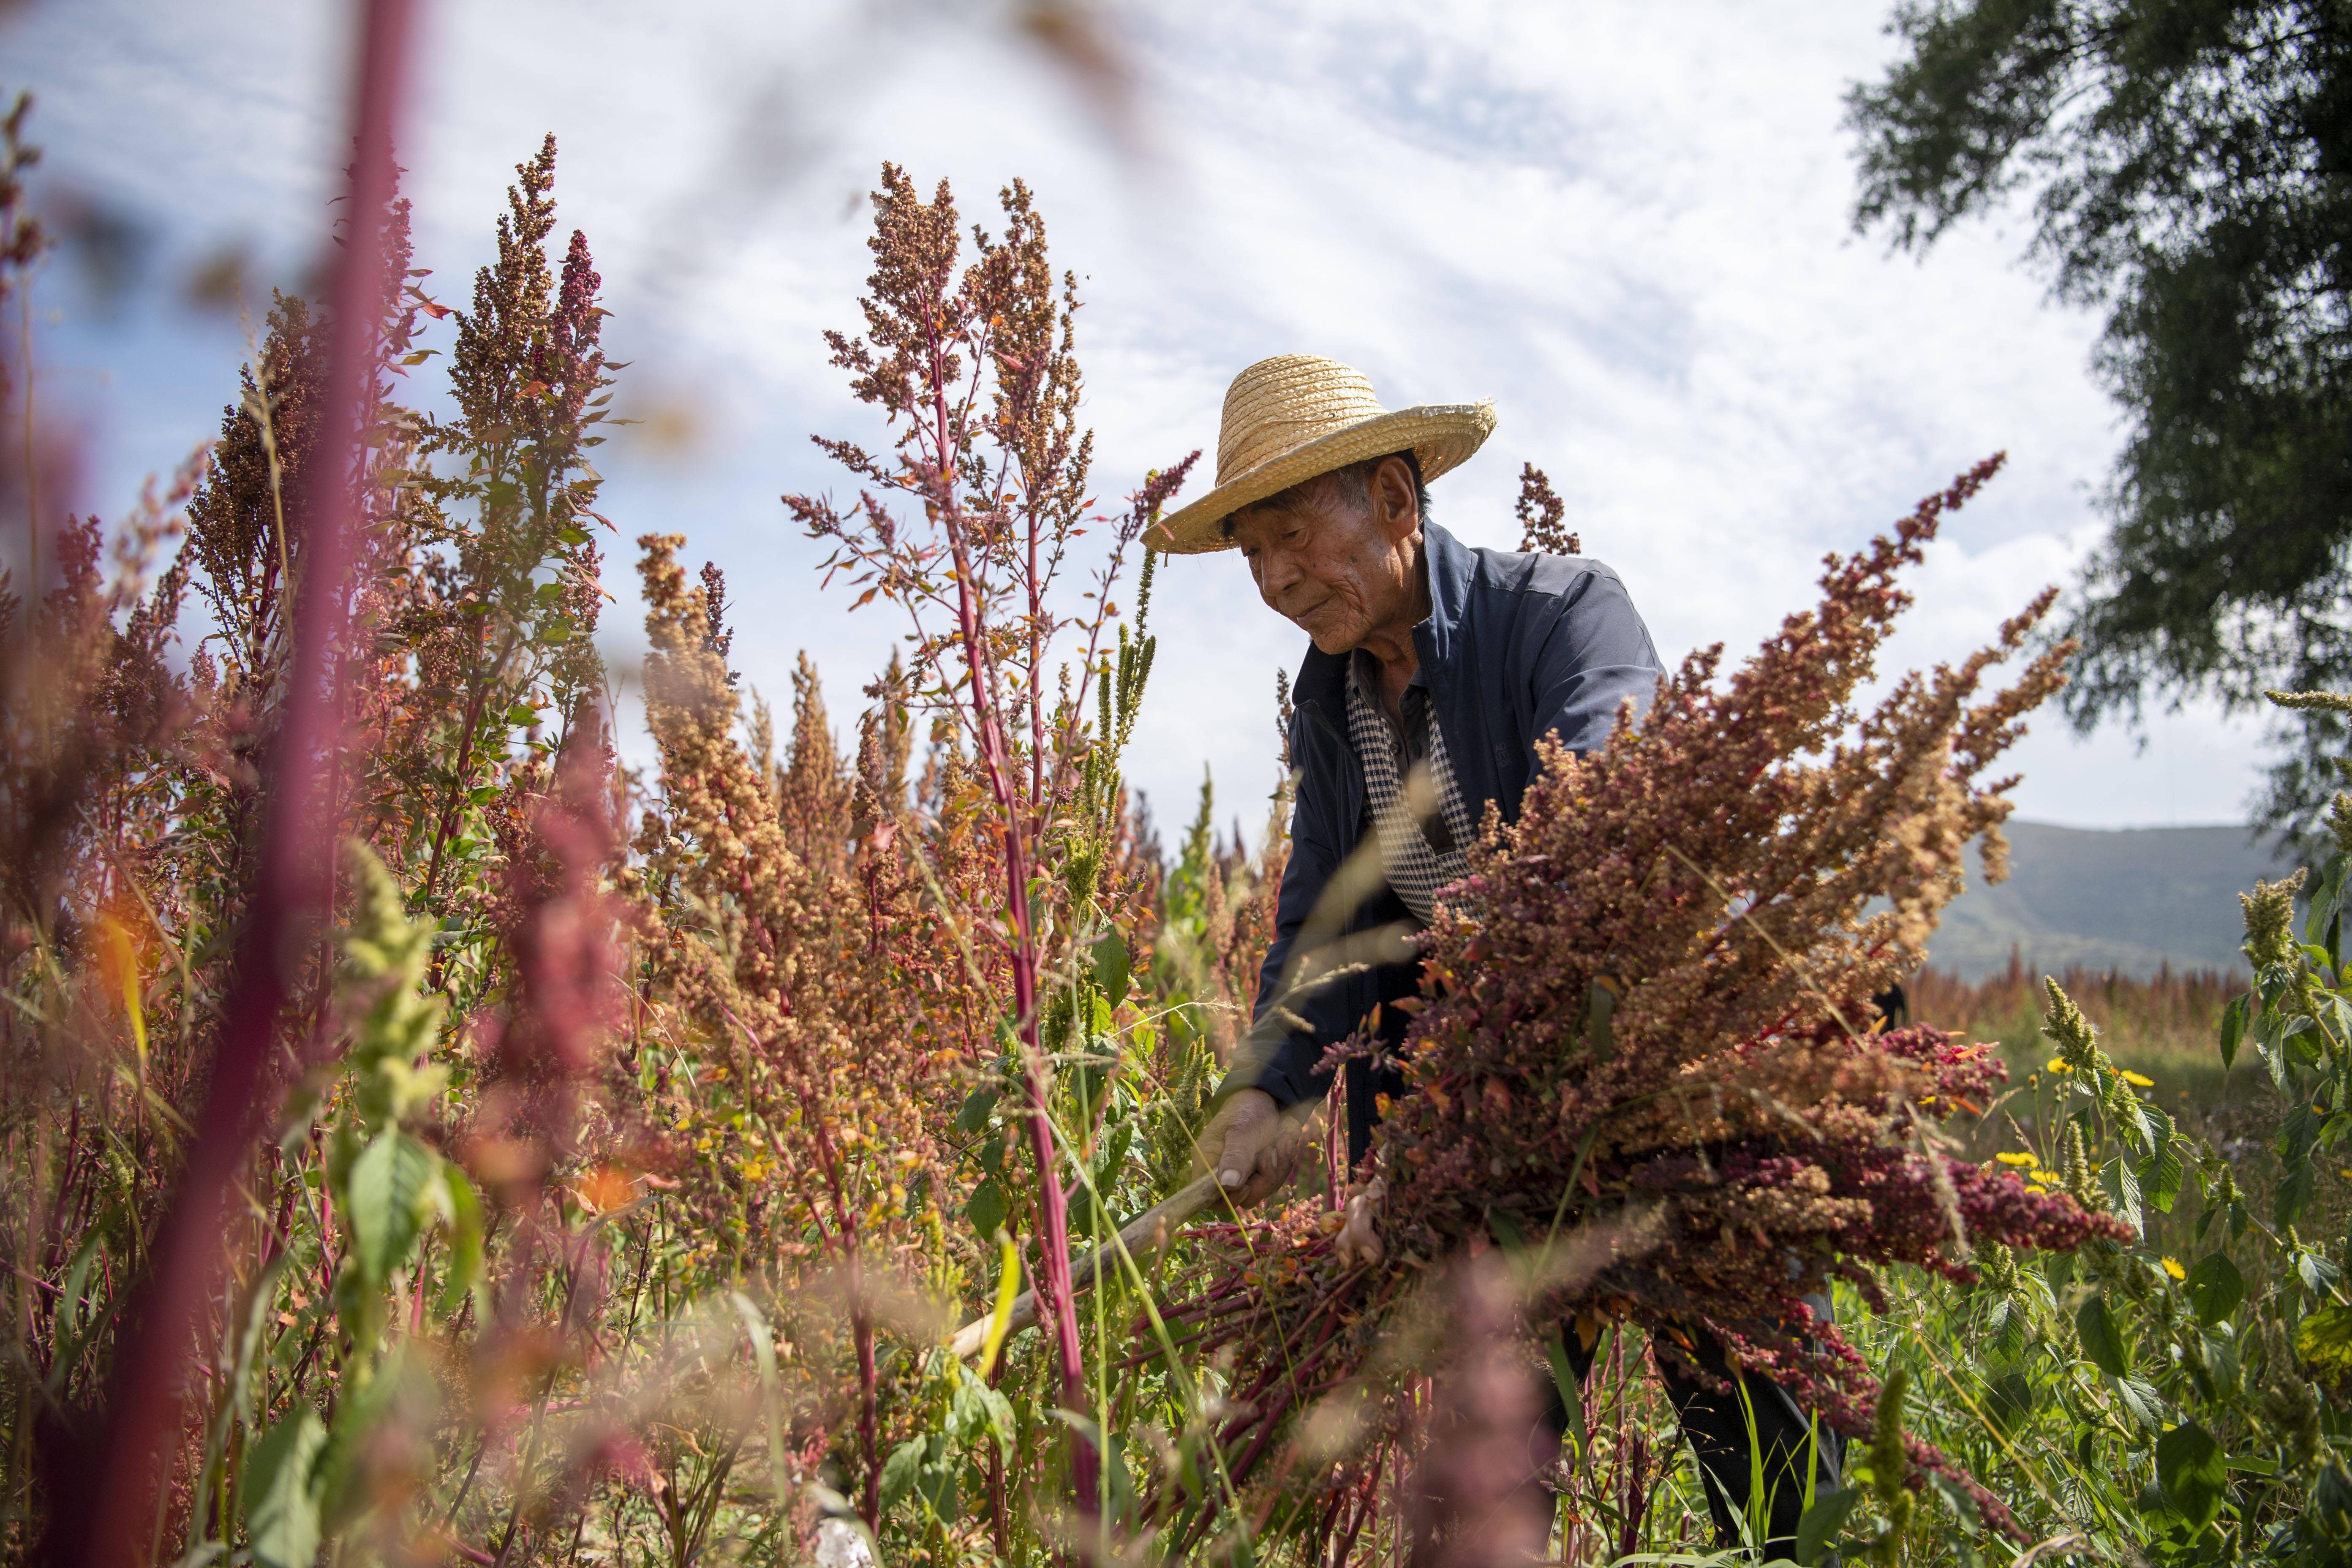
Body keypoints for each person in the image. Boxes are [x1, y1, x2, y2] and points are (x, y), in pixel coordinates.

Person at [1150, 354, 1842, 1557]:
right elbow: (1331, 922)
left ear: (1398, 502)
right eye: (1251, 552)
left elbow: (1586, 856)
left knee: (1779, 1484)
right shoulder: (1333, 700)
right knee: (1486, 1482)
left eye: (1292, 534)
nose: (1272, 578)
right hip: (1504, 1144)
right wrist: (1263, 1090)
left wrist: (1432, 1133)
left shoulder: (1569, 617)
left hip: (1669, 1095)